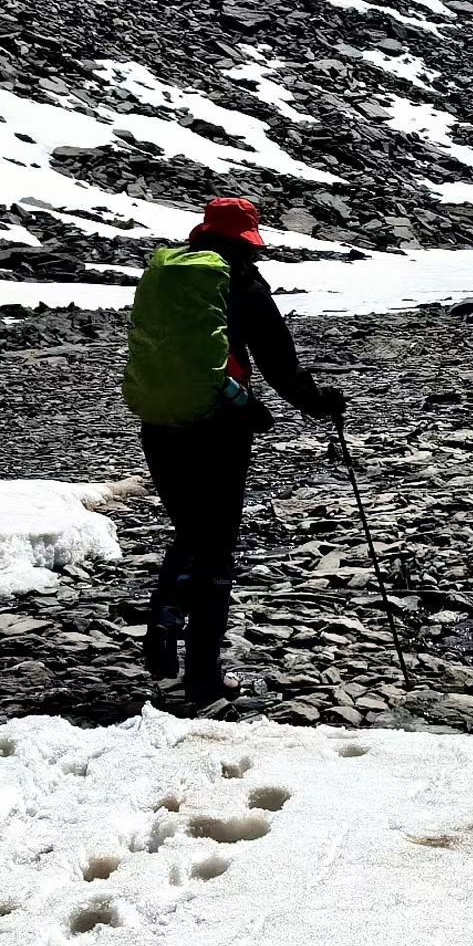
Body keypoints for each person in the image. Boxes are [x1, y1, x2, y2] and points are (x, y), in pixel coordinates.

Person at [130, 196, 344, 709]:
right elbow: (280, 363)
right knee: (217, 545)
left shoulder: (167, 275)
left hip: (159, 422)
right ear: (246, 242)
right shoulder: (240, 284)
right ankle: (203, 677)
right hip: (217, 428)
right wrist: (321, 404)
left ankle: (162, 621)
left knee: (190, 530)